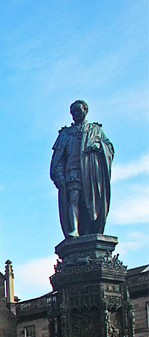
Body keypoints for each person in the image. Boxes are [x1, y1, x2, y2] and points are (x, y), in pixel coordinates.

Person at [50, 99, 115, 238]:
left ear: (86, 111)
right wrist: (59, 174)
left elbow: (109, 147)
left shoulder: (96, 130)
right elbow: (58, 156)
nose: (76, 113)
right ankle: (74, 229)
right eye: (73, 112)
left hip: (91, 172)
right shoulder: (65, 133)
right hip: (72, 170)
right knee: (73, 199)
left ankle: (91, 229)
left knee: (88, 201)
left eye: (79, 110)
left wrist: (99, 146)